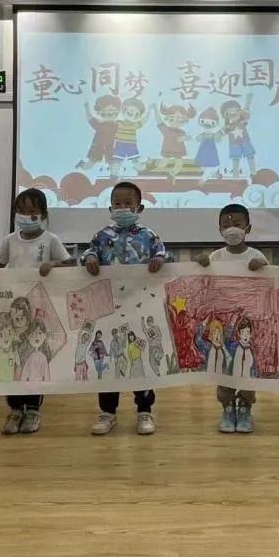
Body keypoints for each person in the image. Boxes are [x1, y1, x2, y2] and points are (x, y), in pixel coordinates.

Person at [0, 188, 73, 436]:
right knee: (12, 357)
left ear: (43, 214)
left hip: (38, 313)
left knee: (33, 357)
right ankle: (15, 408)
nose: (25, 215)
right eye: (21, 210)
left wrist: (52, 264)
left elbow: (69, 263)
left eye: (32, 211)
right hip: (15, 312)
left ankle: (33, 409)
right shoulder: (9, 240)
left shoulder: (51, 240)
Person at [83, 181, 166, 435]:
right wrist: (90, 258)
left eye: (128, 203)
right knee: (110, 359)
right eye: (117, 203)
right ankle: (108, 412)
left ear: (139, 207)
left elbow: (164, 256)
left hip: (140, 308)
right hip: (110, 309)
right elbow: (88, 253)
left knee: (139, 357)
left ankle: (144, 410)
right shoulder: (101, 236)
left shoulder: (149, 236)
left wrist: (159, 259)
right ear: (110, 207)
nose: (122, 207)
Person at [195, 203, 268, 434]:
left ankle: (245, 407)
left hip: (248, 326)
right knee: (225, 367)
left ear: (248, 228)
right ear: (219, 230)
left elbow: (268, 283)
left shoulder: (256, 255)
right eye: (226, 225)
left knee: (246, 368)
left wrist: (263, 267)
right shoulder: (215, 256)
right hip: (224, 326)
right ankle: (227, 408)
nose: (232, 229)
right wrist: (201, 265)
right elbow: (206, 284)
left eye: (237, 224)